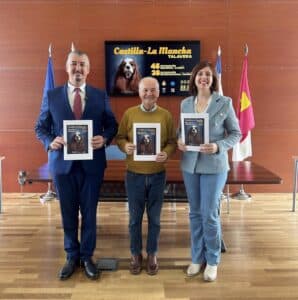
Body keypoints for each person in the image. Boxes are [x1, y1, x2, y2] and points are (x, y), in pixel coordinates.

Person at [35, 50, 118, 280]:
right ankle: (71, 256)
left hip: (92, 167)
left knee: (90, 214)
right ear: (67, 67)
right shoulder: (52, 96)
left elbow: (112, 125)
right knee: (67, 213)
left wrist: (105, 138)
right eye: (74, 64)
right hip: (63, 167)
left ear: (88, 69)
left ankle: (87, 256)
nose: (78, 69)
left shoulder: (100, 96)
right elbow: (40, 127)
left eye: (82, 64)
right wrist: (49, 142)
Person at [177, 61, 241, 282]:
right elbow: (180, 131)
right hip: (190, 165)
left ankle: (212, 261)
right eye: (200, 74)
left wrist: (218, 146)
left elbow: (236, 133)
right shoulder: (185, 103)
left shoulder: (225, 102)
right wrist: (180, 142)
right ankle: (197, 258)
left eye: (208, 74)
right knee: (194, 213)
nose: (203, 77)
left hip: (214, 166)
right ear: (194, 78)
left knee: (209, 214)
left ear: (213, 80)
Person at [115, 77, 176, 276]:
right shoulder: (129, 114)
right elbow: (120, 137)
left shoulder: (166, 115)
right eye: (145, 90)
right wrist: (126, 146)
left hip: (157, 175)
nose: (149, 94)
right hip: (134, 175)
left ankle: (152, 254)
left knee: (155, 219)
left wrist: (166, 152)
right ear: (139, 92)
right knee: (134, 219)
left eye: (153, 90)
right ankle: (135, 254)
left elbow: (172, 141)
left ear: (159, 92)